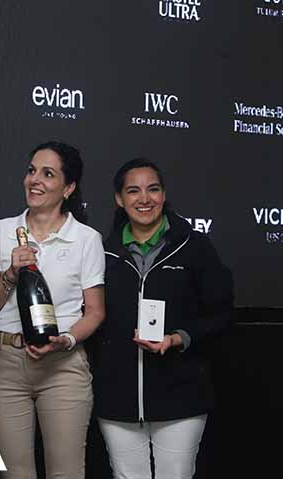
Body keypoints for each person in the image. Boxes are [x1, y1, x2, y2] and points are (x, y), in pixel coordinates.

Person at [94, 158, 234, 479]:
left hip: (181, 395)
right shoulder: (104, 252)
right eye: (133, 191)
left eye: (153, 189)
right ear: (119, 199)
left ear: (164, 194)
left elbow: (222, 314)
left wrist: (179, 337)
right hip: (118, 398)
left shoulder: (195, 247)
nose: (144, 198)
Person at [0, 141, 105, 479]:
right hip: (4, 364)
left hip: (63, 366)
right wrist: (10, 274)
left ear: (68, 187)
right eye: (32, 170)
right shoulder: (1, 231)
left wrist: (66, 340)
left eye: (48, 174)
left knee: (67, 473)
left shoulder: (87, 239)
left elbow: (94, 311)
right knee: (14, 474)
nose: (35, 180)